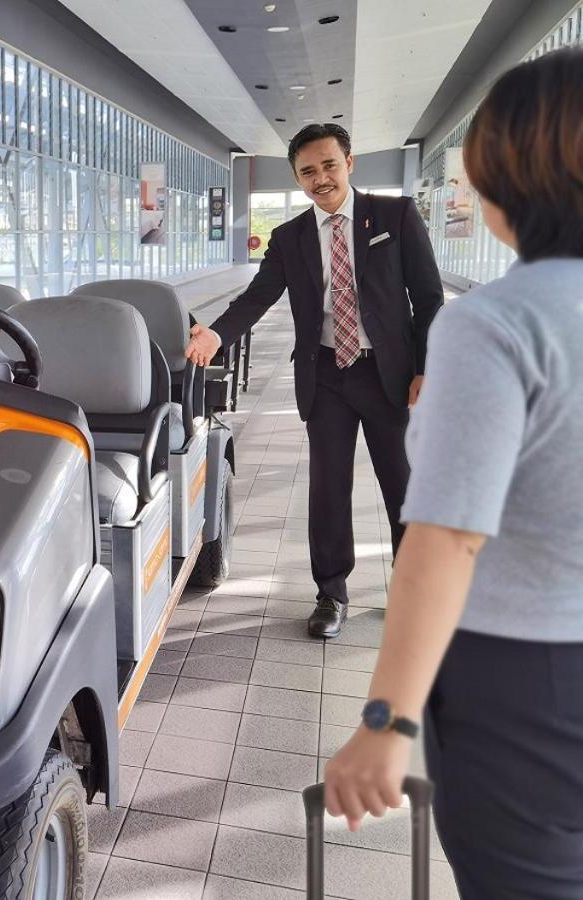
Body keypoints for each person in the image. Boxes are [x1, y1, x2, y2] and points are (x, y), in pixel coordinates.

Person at [323, 48, 583, 897]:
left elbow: (443, 542)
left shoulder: (501, 326)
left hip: (528, 684)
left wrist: (385, 722)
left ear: (510, 172)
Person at [185, 124, 443, 639]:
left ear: (349, 162)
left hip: (387, 372)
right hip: (326, 374)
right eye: (308, 171)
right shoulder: (290, 238)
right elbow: (256, 299)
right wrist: (215, 336)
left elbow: (429, 298)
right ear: (297, 178)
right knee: (328, 486)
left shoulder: (395, 216)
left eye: (328, 165)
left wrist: (426, 369)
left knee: (402, 482)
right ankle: (331, 593)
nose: (320, 178)